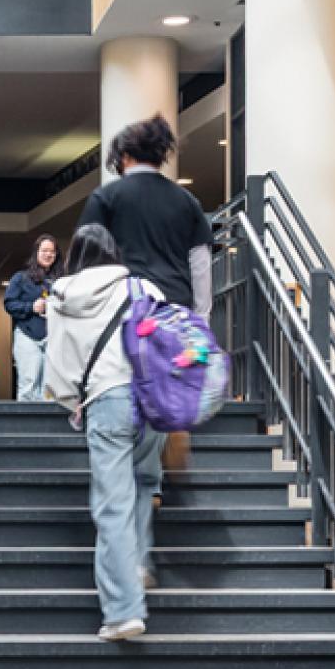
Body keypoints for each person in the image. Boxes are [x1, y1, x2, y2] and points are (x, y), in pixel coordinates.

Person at [44, 224, 163, 641]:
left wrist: (71, 402)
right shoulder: (140, 286)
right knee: (144, 480)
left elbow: (56, 366)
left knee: (113, 505)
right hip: (151, 401)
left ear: (73, 254)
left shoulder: (60, 297)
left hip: (105, 400)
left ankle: (123, 611)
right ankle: (139, 562)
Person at [80, 112, 213, 470]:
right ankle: (159, 455)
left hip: (121, 310)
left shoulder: (106, 197)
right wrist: (200, 319)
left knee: (125, 390)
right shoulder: (187, 202)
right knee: (162, 387)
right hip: (173, 309)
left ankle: (140, 474)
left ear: (123, 157)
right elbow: (200, 265)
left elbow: (87, 263)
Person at [4, 234, 63, 401]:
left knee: (50, 390)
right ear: (36, 252)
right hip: (27, 336)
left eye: (52, 251)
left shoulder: (61, 281)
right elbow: (9, 304)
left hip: (53, 338)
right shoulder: (21, 278)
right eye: (44, 250)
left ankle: (46, 427)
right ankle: (24, 427)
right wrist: (31, 307)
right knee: (28, 385)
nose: (48, 254)